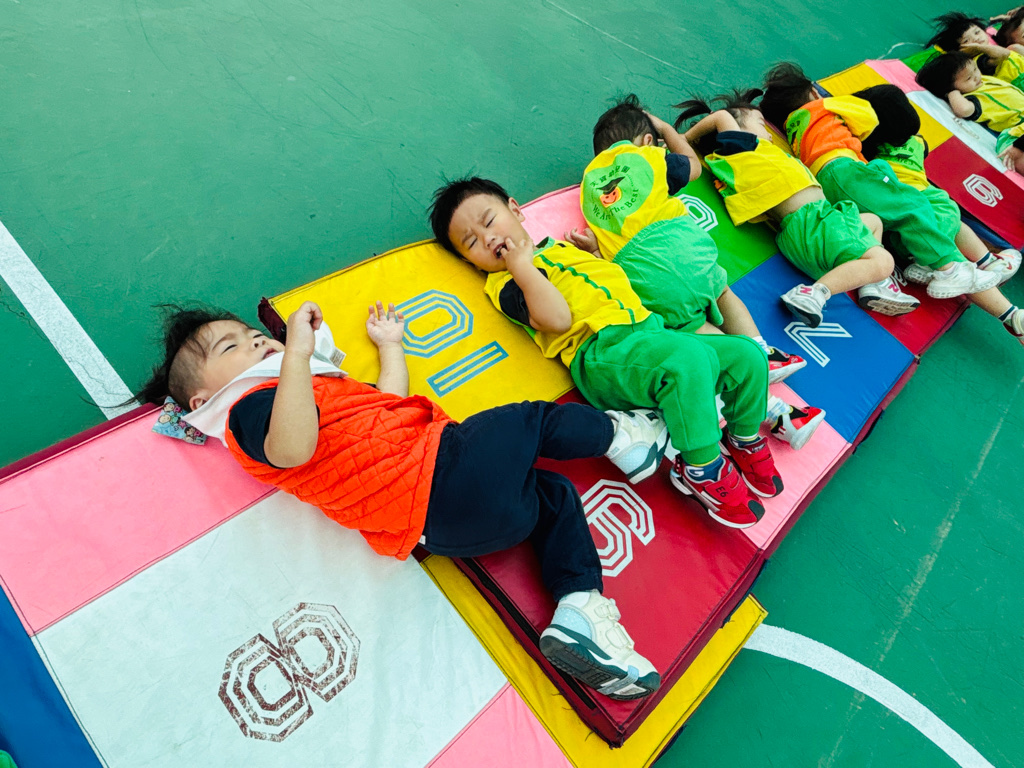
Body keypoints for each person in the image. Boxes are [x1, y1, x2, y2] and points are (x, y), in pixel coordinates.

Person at [136, 302, 670, 700]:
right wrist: (295, 353)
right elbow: (292, 449)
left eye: (255, 335)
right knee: (529, 419)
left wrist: (390, 347)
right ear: (204, 401)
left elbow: (386, 405)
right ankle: (624, 435)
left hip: (453, 522)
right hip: (439, 476)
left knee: (553, 493)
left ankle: (582, 610)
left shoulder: (312, 389)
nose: (256, 342)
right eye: (232, 347)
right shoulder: (247, 410)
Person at [430, 176, 783, 529]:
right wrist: (521, 266)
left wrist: (594, 256)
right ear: (470, 262)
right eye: (472, 242)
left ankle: (743, 437)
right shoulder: (507, 284)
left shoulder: (559, 249)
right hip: (604, 354)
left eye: (489, 221)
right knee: (687, 360)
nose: (488, 238)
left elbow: (608, 287)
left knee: (747, 355)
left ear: (515, 210)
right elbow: (557, 319)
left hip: (649, 334)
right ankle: (700, 468)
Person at [571, 95, 824, 449]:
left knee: (694, 328)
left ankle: (777, 409)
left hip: (642, 276)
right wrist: (666, 130)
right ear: (647, 140)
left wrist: (597, 252)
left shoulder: (589, 185)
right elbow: (693, 167)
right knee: (722, 292)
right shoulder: (647, 158)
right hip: (684, 249)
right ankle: (764, 362)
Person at [759, 61, 1003, 300]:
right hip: (844, 170)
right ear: (814, 92)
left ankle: (897, 272)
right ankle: (948, 268)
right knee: (912, 205)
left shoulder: (794, 129)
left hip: (825, 183)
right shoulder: (825, 106)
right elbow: (867, 117)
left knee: (884, 217)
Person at [675, 89, 918, 328]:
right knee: (884, 261)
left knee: (873, 221)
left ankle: (871, 282)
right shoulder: (744, 148)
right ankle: (815, 293)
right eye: (761, 124)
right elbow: (721, 116)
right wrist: (684, 138)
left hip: (814, 233)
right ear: (738, 128)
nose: (770, 134)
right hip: (816, 227)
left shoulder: (750, 157)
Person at [854, 83, 1021, 285]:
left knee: (926, 224)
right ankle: (985, 261)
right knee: (953, 221)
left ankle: (925, 261)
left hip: (896, 230)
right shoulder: (918, 142)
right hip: (928, 212)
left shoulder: (864, 153)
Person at [916, 51, 1024, 173]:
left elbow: (1002, 54)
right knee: (1017, 159)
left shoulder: (982, 80)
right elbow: (963, 110)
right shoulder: (974, 97)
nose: (976, 76)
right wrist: (952, 92)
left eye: (975, 69)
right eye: (968, 78)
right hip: (1016, 134)